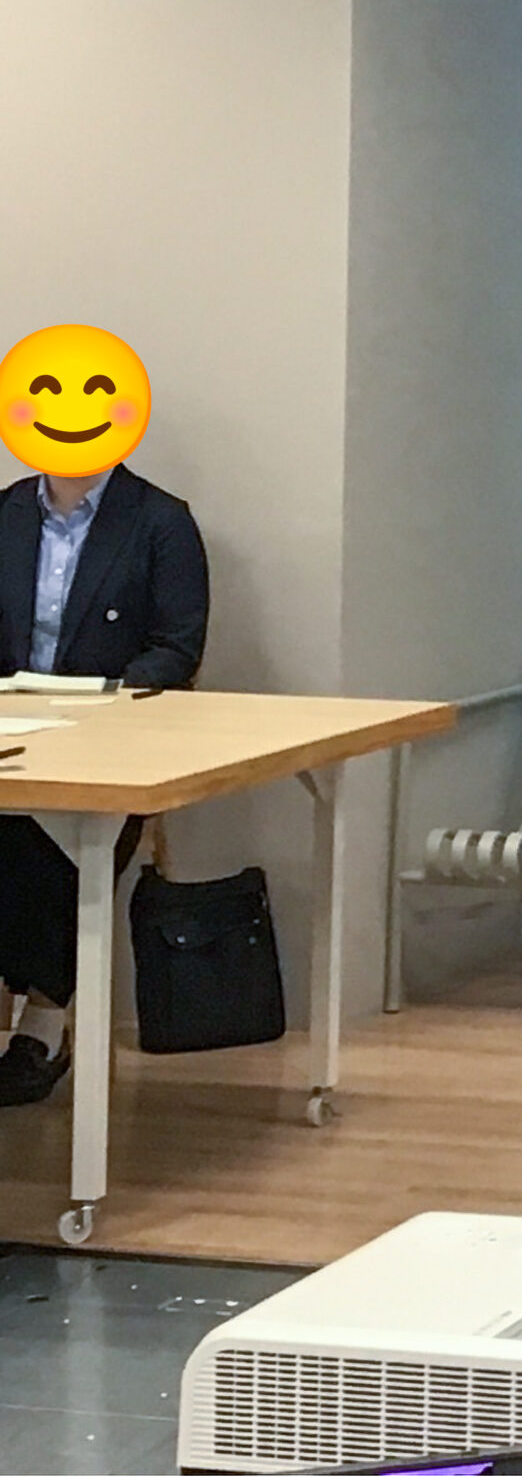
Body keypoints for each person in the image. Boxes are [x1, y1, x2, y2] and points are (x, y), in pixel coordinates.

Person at [0, 460, 209, 1106]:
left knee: (66, 845)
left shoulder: (161, 521)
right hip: (12, 724)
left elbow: (176, 648)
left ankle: (42, 1024)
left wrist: (101, 701)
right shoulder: (5, 513)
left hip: (112, 734)